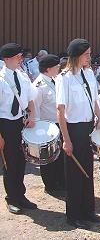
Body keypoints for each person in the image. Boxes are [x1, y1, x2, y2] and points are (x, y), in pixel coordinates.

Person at [56, 38, 100, 228]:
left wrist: (99, 116)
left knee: (88, 171)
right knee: (75, 174)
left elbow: (94, 99)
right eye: (86, 54)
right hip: (73, 129)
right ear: (76, 56)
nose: (89, 57)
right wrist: (66, 140)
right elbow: (60, 111)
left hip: (87, 128)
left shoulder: (90, 73)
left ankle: (88, 211)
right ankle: (74, 215)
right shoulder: (64, 78)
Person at [0, 43, 37, 215]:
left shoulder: (22, 76)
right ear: (7, 59)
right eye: (17, 57)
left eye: (21, 56)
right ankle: (11, 198)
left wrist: (31, 115)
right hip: (5, 124)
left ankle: (21, 196)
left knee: (21, 160)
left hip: (21, 122)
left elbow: (30, 98)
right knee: (10, 162)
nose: (20, 59)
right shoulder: (1, 79)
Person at [33, 54, 65, 195]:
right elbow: (35, 108)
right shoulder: (39, 85)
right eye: (56, 65)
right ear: (48, 69)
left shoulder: (54, 80)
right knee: (49, 158)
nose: (59, 67)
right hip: (47, 126)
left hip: (58, 124)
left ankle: (60, 182)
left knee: (59, 157)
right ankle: (50, 185)